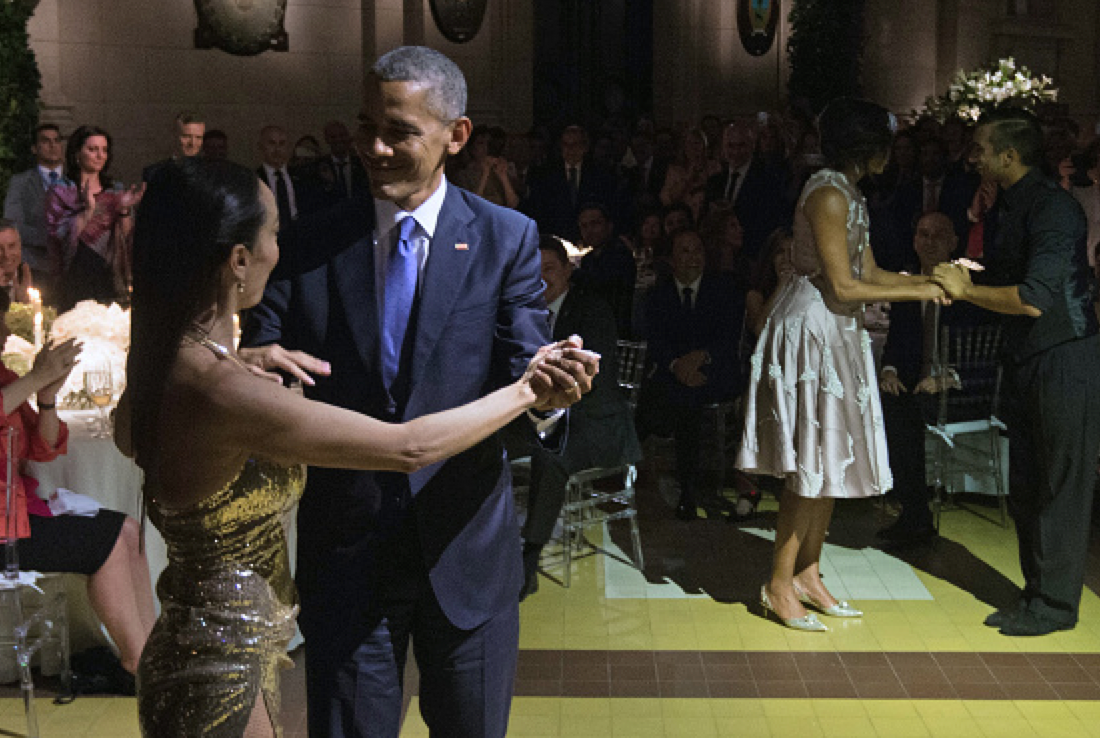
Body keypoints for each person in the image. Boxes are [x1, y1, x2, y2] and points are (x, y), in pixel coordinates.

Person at [118, 157, 582, 737]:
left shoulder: (164, 367)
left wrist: (240, 359)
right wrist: (525, 391)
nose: (280, 250)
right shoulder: (225, 393)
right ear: (239, 260)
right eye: (272, 236)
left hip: (201, 644)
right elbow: (410, 447)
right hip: (222, 667)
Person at [241, 46, 596, 738]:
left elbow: (527, 374)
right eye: (366, 125)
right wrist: (252, 365)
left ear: (454, 136)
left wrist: (552, 397)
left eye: (398, 131)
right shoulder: (311, 241)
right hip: (347, 555)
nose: (373, 147)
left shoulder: (505, 238)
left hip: (465, 555)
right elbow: (264, 352)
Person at [736, 99, 945, 632]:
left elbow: (870, 268)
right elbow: (846, 284)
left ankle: (808, 573)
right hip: (812, 330)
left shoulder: (849, 192)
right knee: (809, 461)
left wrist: (931, 281)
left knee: (827, 459)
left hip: (837, 330)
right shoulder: (828, 193)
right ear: (867, 147)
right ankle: (778, 583)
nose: (892, 152)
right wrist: (923, 288)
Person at [931, 108, 1100, 637]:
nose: (971, 155)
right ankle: (1038, 594)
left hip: (1064, 356)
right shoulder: (1010, 204)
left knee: (1060, 485)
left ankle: (1054, 605)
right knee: (1028, 482)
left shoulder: (1055, 208)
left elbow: (1033, 299)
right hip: (1030, 359)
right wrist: (969, 262)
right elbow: (1006, 275)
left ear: (1009, 155)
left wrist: (965, 289)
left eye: (980, 147)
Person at [0, 290, 154, 692]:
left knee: (127, 530)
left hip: (18, 513)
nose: (3, 334)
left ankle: (154, 653)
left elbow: (43, 448)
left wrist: (47, 397)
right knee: (103, 543)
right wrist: (34, 378)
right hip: (5, 527)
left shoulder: (5, 380)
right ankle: (137, 664)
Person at [513, 236, 641, 598]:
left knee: (549, 452)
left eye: (549, 270)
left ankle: (530, 555)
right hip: (536, 415)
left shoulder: (592, 310)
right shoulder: (522, 313)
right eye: (532, 272)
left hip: (595, 422)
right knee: (479, 437)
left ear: (568, 270)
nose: (541, 280)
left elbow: (591, 385)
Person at [877, 212, 982, 544]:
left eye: (938, 235)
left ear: (953, 242)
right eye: (923, 234)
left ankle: (916, 516)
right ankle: (911, 511)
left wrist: (947, 377)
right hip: (916, 384)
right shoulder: (908, 285)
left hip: (959, 390)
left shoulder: (968, 288)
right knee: (892, 403)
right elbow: (896, 341)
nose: (929, 241)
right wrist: (890, 371)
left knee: (912, 409)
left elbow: (983, 351)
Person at [637, 229, 745, 521]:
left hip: (713, 371)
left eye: (697, 250)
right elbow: (656, 341)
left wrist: (700, 358)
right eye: (684, 251)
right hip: (675, 373)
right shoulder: (658, 295)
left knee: (687, 399)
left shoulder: (721, 289)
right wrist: (677, 365)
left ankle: (687, 489)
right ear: (672, 259)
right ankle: (632, 466)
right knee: (663, 397)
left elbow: (728, 338)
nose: (692, 257)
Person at [45, 125, 145, 312]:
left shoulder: (114, 190)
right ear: (77, 153)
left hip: (107, 273)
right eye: (92, 149)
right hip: (75, 273)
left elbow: (127, 237)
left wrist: (123, 209)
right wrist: (88, 211)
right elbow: (56, 236)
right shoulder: (60, 190)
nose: (100, 156)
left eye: (104, 150)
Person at [3, 123, 66, 294]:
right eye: (46, 141)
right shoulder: (20, 182)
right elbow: (14, 224)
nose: (52, 146)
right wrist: (52, 239)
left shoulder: (75, 180)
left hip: (71, 266)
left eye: (56, 141)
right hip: (35, 265)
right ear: (34, 148)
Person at [142, 112, 205, 184]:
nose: (193, 143)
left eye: (198, 137)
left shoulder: (211, 173)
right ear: (174, 136)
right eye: (186, 136)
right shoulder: (153, 173)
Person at [0, 221, 34, 303]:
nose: (6, 255)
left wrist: (25, 305)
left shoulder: (40, 281)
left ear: (20, 247)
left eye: (12, 246)